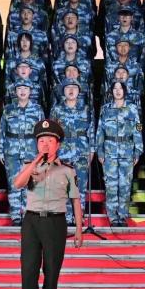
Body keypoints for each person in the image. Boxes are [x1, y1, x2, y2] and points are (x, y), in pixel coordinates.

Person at [12, 118, 83, 289]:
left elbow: (75, 200)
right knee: (29, 268)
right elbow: (17, 184)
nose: (45, 144)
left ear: (57, 144)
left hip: (55, 221)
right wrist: (36, 161)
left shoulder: (67, 170)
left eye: (50, 141)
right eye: (41, 141)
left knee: (52, 270)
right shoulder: (29, 166)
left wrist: (79, 230)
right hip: (32, 221)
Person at [95, 81, 142, 227]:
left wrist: (138, 151)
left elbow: (138, 129)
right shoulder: (105, 109)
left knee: (125, 185)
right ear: (111, 92)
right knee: (111, 185)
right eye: (115, 88)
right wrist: (100, 150)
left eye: (120, 88)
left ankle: (122, 216)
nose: (117, 91)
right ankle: (113, 218)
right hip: (109, 151)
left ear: (124, 91)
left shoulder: (132, 109)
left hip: (127, 151)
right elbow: (100, 131)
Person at [0, 80, 45, 225]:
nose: (22, 91)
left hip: (31, 151)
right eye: (19, 88)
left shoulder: (37, 110)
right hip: (11, 151)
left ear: (30, 91)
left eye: (25, 88)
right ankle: (15, 216)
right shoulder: (8, 109)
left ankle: (27, 214)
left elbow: (43, 134)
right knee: (14, 183)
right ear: (15, 91)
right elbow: (2, 131)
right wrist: (1, 151)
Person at [51, 78, 94, 226]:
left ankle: (78, 216)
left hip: (81, 151)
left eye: (74, 88)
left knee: (80, 185)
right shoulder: (57, 110)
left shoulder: (86, 109)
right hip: (62, 152)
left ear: (79, 91)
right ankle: (66, 217)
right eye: (68, 87)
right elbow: (52, 133)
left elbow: (91, 131)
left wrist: (92, 150)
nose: (71, 90)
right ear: (63, 91)